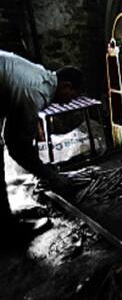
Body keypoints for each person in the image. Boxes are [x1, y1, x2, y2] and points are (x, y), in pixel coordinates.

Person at [1, 50, 83, 246]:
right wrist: (50, 176)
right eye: (72, 96)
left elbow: (12, 129)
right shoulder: (36, 91)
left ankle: (5, 218)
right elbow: (17, 147)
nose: (69, 102)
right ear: (66, 85)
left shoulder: (41, 76)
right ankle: (6, 231)